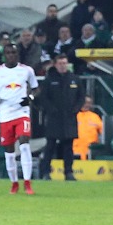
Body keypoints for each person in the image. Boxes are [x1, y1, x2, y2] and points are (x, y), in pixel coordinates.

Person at [0, 43, 39, 194]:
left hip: (21, 112)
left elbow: (36, 89)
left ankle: (28, 183)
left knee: (24, 143)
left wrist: (29, 98)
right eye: (8, 53)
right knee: (9, 151)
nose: (11, 55)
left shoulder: (27, 70)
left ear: (18, 54)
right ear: (4, 55)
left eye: (14, 53)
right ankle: (14, 183)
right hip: (5, 114)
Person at [38, 52, 83, 181]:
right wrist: (51, 110)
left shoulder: (75, 79)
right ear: (55, 65)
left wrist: (76, 109)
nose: (63, 66)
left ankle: (68, 172)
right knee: (50, 146)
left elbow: (81, 97)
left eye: (65, 63)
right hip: (54, 118)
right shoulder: (50, 79)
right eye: (60, 63)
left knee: (68, 147)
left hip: (69, 118)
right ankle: (46, 172)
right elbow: (44, 98)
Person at [73, 95, 104, 160]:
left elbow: (103, 132)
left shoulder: (95, 117)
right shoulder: (73, 116)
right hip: (75, 151)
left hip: (90, 152)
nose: (86, 104)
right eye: (84, 102)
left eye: (89, 103)